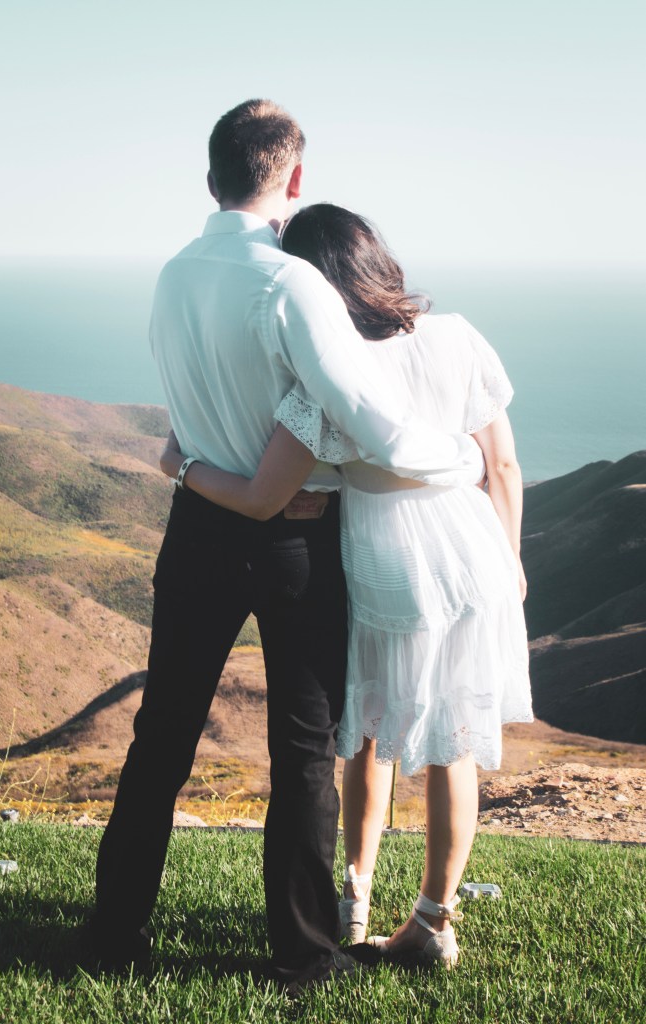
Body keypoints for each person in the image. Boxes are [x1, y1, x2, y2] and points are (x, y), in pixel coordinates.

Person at [90, 102, 485, 989]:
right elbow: (369, 418)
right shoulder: (289, 282)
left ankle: (113, 935)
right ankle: (304, 954)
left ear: (209, 178)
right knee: (304, 749)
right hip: (293, 539)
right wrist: (454, 457)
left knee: (161, 736)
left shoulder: (168, 275)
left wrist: (189, 463)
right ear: (293, 179)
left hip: (196, 527)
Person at [160, 202, 533, 970]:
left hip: (380, 553)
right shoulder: (459, 337)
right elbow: (501, 465)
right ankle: (432, 919)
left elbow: (288, 482)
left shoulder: (327, 368)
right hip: (469, 546)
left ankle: (353, 904)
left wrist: (182, 465)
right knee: (451, 740)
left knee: (365, 729)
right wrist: (510, 558)